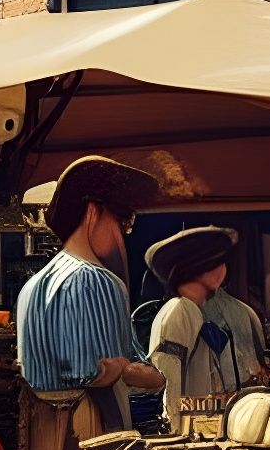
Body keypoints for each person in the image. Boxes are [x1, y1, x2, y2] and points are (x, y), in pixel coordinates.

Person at [17, 155, 166, 430]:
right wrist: (125, 369)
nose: (123, 235)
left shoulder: (30, 288)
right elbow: (92, 373)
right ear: (92, 212)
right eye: (122, 222)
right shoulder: (100, 281)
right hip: (93, 430)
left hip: (39, 431)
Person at [146, 226, 246, 433]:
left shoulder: (191, 311)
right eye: (217, 263)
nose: (223, 270)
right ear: (199, 268)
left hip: (204, 430)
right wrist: (176, 435)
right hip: (191, 435)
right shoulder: (178, 312)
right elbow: (170, 383)